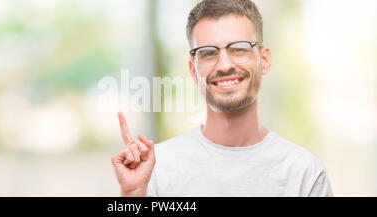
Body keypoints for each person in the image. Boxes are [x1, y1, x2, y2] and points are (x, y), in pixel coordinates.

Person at [111, 0, 333, 197]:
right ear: (193, 70)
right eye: (208, 53)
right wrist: (133, 195)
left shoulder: (305, 174)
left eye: (239, 49)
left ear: (264, 60)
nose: (225, 65)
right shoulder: (156, 169)